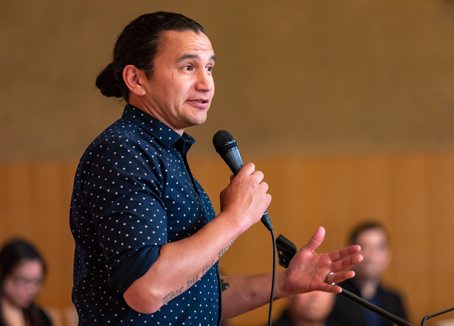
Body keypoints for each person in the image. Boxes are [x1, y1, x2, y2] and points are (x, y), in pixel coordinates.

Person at [70, 11, 363, 325]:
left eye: (209, 68)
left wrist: (285, 283)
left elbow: (194, 300)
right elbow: (147, 289)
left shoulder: (164, 153)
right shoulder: (124, 151)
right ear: (136, 79)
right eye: (188, 67)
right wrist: (236, 218)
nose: (206, 83)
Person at [327, 220, 408, 326]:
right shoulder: (334, 297)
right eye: (363, 247)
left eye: (380, 247)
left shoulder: (395, 299)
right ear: (350, 254)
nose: (371, 256)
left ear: (388, 255)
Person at [0, 237, 52, 326]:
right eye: (23, 280)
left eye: (37, 281)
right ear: (3, 273)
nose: (31, 289)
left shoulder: (42, 317)